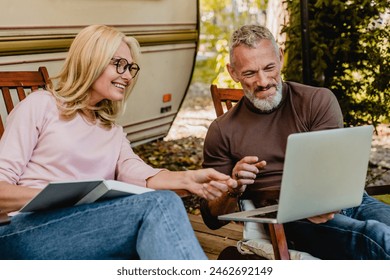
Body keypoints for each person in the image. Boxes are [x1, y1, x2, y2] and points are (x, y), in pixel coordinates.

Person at [0, 24, 237, 260]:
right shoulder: (41, 105)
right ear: (91, 61)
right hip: (26, 234)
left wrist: (190, 178)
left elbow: (139, 173)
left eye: (130, 68)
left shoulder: (111, 131)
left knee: (157, 219)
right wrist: (59, 198)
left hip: (83, 230)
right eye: (118, 64)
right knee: (157, 207)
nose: (127, 75)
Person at [201, 24, 390, 259]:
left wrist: (322, 200)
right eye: (250, 73)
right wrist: (233, 188)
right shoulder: (222, 131)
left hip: (348, 199)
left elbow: (332, 170)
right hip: (288, 216)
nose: (263, 81)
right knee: (378, 237)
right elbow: (210, 218)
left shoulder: (316, 101)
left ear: (280, 57)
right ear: (233, 72)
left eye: (269, 68)